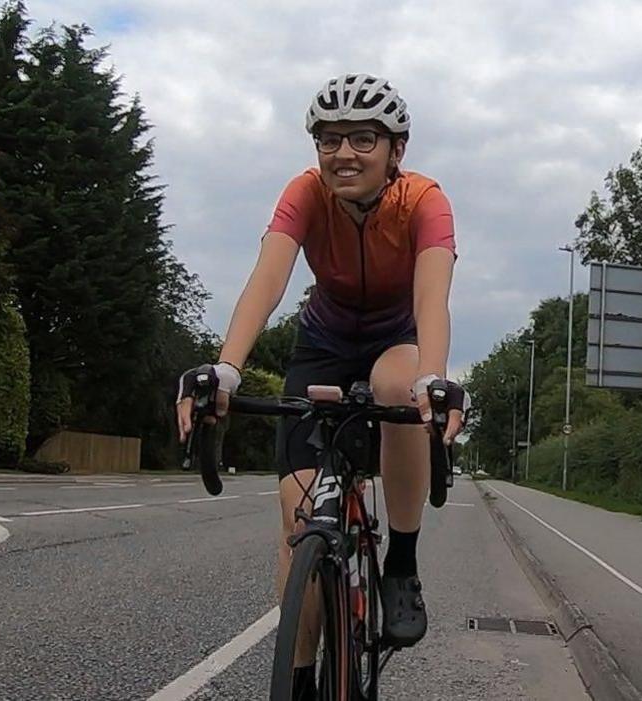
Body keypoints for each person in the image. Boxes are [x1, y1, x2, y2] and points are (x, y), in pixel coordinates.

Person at [176, 73, 466, 698]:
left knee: (398, 386)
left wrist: (433, 380)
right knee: (297, 516)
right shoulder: (305, 193)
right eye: (329, 140)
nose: (343, 154)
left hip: (396, 340)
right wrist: (225, 368)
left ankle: (402, 564)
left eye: (364, 138)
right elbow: (268, 276)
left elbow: (433, 295)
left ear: (397, 151)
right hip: (324, 344)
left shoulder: (424, 200)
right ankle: (301, 677)